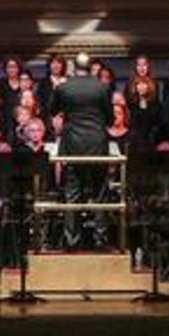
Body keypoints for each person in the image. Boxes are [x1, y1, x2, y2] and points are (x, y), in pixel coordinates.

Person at [50, 52, 112, 248]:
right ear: (90, 66)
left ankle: (71, 240)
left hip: (74, 145)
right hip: (97, 144)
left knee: (72, 193)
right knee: (101, 193)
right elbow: (110, 118)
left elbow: (53, 111)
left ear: (72, 67)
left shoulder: (63, 87)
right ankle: (100, 240)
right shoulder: (102, 87)